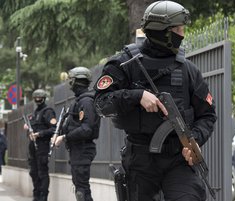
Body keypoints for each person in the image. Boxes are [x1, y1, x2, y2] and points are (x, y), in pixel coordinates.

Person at [93, 1, 217, 201]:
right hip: (140, 160)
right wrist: (137, 96)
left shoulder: (188, 70)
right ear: (161, 32)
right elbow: (100, 103)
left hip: (178, 159)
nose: (182, 34)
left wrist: (194, 140)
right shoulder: (125, 64)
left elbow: (208, 115)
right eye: (177, 29)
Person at [54, 66, 100, 201]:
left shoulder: (86, 102)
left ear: (75, 81)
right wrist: (59, 133)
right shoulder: (79, 101)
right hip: (77, 149)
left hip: (83, 149)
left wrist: (64, 137)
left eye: (71, 80)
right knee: (81, 187)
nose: (69, 84)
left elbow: (87, 129)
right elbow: (73, 125)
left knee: (81, 189)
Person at [23, 89, 57, 201]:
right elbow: (31, 131)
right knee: (33, 172)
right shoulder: (33, 114)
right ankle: (36, 195)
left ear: (43, 98)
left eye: (40, 98)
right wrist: (28, 131)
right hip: (33, 146)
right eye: (36, 98)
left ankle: (43, 197)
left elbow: (54, 129)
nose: (38, 100)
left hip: (42, 146)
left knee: (42, 172)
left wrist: (39, 134)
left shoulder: (48, 112)